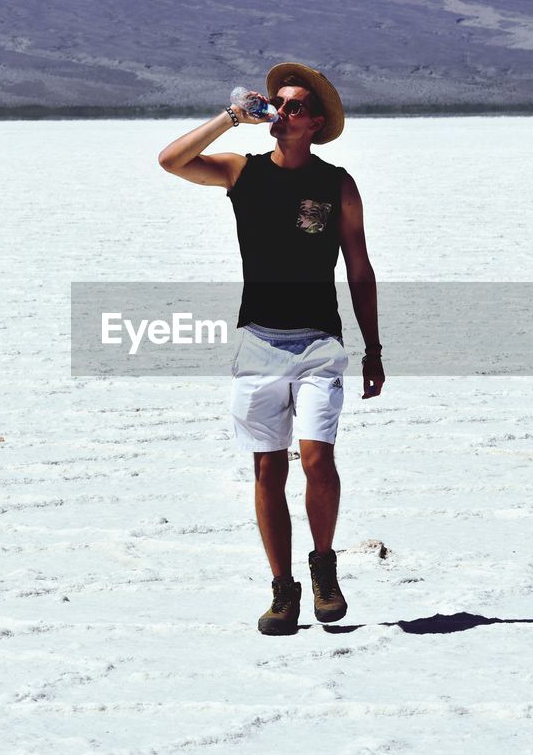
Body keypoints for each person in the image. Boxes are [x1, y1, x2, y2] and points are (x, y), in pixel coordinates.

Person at [158, 62, 384, 635]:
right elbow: (172, 160)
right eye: (276, 104)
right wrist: (230, 117)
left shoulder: (336, 184)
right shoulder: (243, 172)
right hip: (259, 342)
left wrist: (373, 347)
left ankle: (324, 568)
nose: (280, 112)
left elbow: (358, 267)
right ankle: (283, 589)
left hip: (318, 343)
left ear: (314, 122)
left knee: (316, 458)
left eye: (293, 106)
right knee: (267, 469)